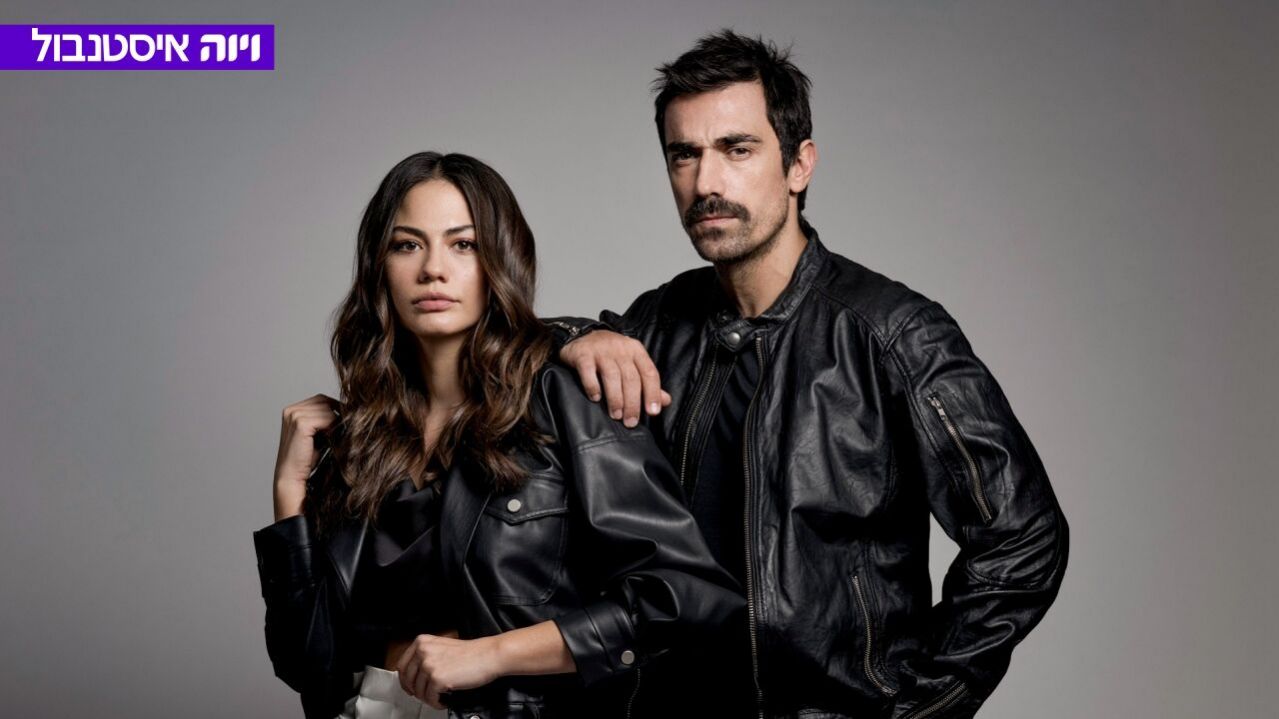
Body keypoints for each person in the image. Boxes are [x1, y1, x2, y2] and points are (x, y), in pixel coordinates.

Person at [546, 30, 1070, 719]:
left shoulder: (890, 332)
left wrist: (922, 708)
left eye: (737, 149)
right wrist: (573, 336)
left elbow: (1023, 535)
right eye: (684, 155)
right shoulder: (656, 323)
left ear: (799, 165)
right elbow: (509, 362)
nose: (706, 183)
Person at [253, 151, 743, 719]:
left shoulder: (562, 398)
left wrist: (492, 656)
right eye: (407, 245)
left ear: (500, 260)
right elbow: (307, 665)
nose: (433, 269)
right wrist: (290, 492)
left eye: (463, 244)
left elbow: (683, 598)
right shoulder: (363, 434)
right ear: (378, 266)